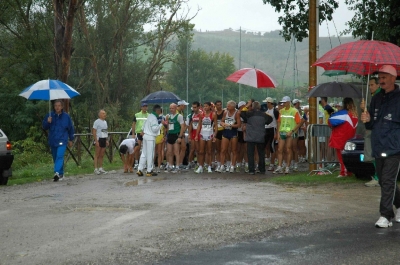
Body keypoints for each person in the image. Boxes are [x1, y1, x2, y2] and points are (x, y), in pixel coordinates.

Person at [361, 65, 400, 228]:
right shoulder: (376, 98)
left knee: (388, 180)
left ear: (393, 77)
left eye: (384, 77)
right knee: (384, 180)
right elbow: (371, 125)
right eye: (380, 78)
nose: (381, 81)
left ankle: (386, 215)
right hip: (378, 146)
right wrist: (366, 118)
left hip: (395, 147)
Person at [42, 100, 75, 181]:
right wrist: (48, 122)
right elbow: (44, 127)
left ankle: (56, 172)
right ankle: (61, 174)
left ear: (62, 107)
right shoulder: (50, 116)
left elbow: (70, 128)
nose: (57, 107)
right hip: (53, 140)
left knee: (60, 156)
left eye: (59, 105)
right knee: (55, 157)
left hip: (62, 139)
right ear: (54, 106)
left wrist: (71, 139)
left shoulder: (66, 117)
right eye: (55, 105)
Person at [328, 98, 358, 178]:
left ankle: (344, 172)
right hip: (351, 138)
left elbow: (330, 121)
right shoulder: (355, 114)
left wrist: (334, 113)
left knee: (342, 157)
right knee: (349, 157)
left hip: (341, 138)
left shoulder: (343, 114)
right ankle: (349, 171)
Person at [361, 77, 381, 187]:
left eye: (372, 85)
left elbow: (375, 114)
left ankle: (378, 177)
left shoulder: (378, 96)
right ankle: (378, 176)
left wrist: (366, 109)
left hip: (374, 129)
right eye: (369, 85)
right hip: (372, 128)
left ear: (378, 85)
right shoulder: (375, 96)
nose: (370, 87)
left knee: (374, 153)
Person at [242, 101, 272, 175]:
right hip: (261, 136)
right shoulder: (264, 115)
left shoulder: (249, 114)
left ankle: (251, 170)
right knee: (261, 153)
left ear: (252, 107)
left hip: (250, 136)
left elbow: (242, 113)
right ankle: (262, 169)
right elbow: (270, 120)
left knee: (250, 154)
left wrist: (246, 106)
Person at [274, 96, 302, 174]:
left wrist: (292, 131)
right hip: (282, 131)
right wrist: (278, 132)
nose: (284, 104)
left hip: (290, 132)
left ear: (289, 102)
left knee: (288, 149)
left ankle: (287, 167)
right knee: (280, 149)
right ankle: (279, 166)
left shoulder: (294, 111)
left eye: (285, 102)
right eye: (283, 102)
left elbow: (299, 122)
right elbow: (279, 122)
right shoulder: (281, 111)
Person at [137, 104, 163, 177]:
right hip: (150, 137)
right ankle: (149, 170)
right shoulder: (154, 118)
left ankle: (140, 169)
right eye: (160, 110)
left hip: (145, 136)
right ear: (157, 110)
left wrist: (143, 131)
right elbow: (154, 129)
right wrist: (161, 124)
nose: (160, 112)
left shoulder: (149, 116)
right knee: (150, 154)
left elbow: (143, 126)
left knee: (144, 153)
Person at [217, 100, 241, 173]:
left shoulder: (237, 113)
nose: (227, 107)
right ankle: (222, 165)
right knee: (223, 149)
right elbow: (221, 121)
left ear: (233, 107)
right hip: (225, 132)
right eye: (227, 106)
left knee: (234, 150)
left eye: (228, 106)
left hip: (233, 132)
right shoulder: (225, 112)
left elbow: (239, 125)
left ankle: (232, 165)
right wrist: (222, 124)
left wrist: (230, 125)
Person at [195, 102, 216, 173]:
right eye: (204, 106)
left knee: (209, 151)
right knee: (201, 151)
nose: (205, 107)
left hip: (210, 134)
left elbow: (215, 126)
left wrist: (214, 135)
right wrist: (196, 135)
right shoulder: (201, 114)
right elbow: (199, 125)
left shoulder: (213, 114)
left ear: (210, 106)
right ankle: (201, 166)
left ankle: (209, 166)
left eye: (206, 106)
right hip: (202, 134)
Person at [165, 103, 185, 173]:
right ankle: (170, 166)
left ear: (176, 108)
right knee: (169, 152)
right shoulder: (168, 116)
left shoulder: (179, 116)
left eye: (172, 108)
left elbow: (182, 126)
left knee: (176, 152)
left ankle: (177, 166)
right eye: (170, 108)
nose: (171, 110)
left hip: (176, 135)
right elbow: (167, 126)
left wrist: (180, 136)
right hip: (170, 135)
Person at [263, 97, 279, 172]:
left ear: (270, 103)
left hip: (273, 129)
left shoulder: (275, 111)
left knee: (272, 146)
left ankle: (272, 164)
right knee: (265, 145)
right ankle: (266, 160)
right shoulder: (266, 111)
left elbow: (278, 122)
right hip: (266, 129)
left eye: (267, 103)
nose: (266, 104)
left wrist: (277, 133)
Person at [132, 103, 149, 169]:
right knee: (137, 148)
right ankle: (136, 162)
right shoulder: (137, 115)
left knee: (146, 148)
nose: (145, 108)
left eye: (146, 106)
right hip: (139, 133)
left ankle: (145, 163)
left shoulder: (149, 115)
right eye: (143, 106)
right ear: (141, 107)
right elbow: (133, 124)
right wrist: (133, 133)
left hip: (146, 133)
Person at [93, 109, 109, 175]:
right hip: (98, 138)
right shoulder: (97, 122)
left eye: (105, 113)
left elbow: (105, 131)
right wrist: (96, 141)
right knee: (97, 154)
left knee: (102, 154)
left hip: (103, 138)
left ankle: (101, 168)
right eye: (103, 113)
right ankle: (95, 168)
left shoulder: (105, 122)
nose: (104, 114)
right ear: (99, 115)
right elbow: (94, 131)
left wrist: (106, 140)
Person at [154, 106, 166, 173]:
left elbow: (165, 128)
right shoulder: (153, 118)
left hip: (160, 136)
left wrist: (164, 136)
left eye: (159, 110)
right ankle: (152, 165)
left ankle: (159, 166)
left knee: (159, 151)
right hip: (154, 136)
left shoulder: (163, 118)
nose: (158, 112)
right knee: (153, 152)